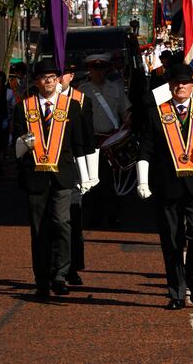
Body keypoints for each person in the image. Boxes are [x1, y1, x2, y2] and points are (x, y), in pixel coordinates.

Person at [136, 63, 193, 309]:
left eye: (185, 82)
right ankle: (176, 291)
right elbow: (146, 148)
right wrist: (142, 180)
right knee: (172, 241)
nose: (181, 86)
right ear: (169, 85)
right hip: (167, 185)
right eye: (176, 83)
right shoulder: (156, 113)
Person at [12, 59, 89, 297]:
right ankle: (42, 278)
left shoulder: (72, 106)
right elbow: (15, 145)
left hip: (63, 175)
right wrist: (24, 143)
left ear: (58, 81)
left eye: (53, 77)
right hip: (35, 175)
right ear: (36, 82)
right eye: (44, 77)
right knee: (39, 229)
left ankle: (60, 273)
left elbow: (80, 144)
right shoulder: (23, 108)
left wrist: (87, 175)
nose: (49, 81)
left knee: (62, 224)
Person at [78, 53, 131, 227]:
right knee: (91, 181)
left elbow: (126, 112)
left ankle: (113, 216)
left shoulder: (116, 89)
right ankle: (92, 216)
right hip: (91, 141)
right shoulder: (81, 91)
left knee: (112, 181)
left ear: (107, 69)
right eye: (94, 68)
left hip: (112, 142)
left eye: (101, 68)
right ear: (89, 70)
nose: (98, 72)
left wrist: (128, 125)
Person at [59, 63, 99, 285]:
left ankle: (72, 267)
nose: (57, 78)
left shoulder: (82, 100)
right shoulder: (36, 101)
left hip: (75, 167)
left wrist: (90, 173)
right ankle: (54, 266)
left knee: (73, 218)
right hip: (48, 167)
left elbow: (87, 139)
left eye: (61, 74)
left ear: (71, 76)